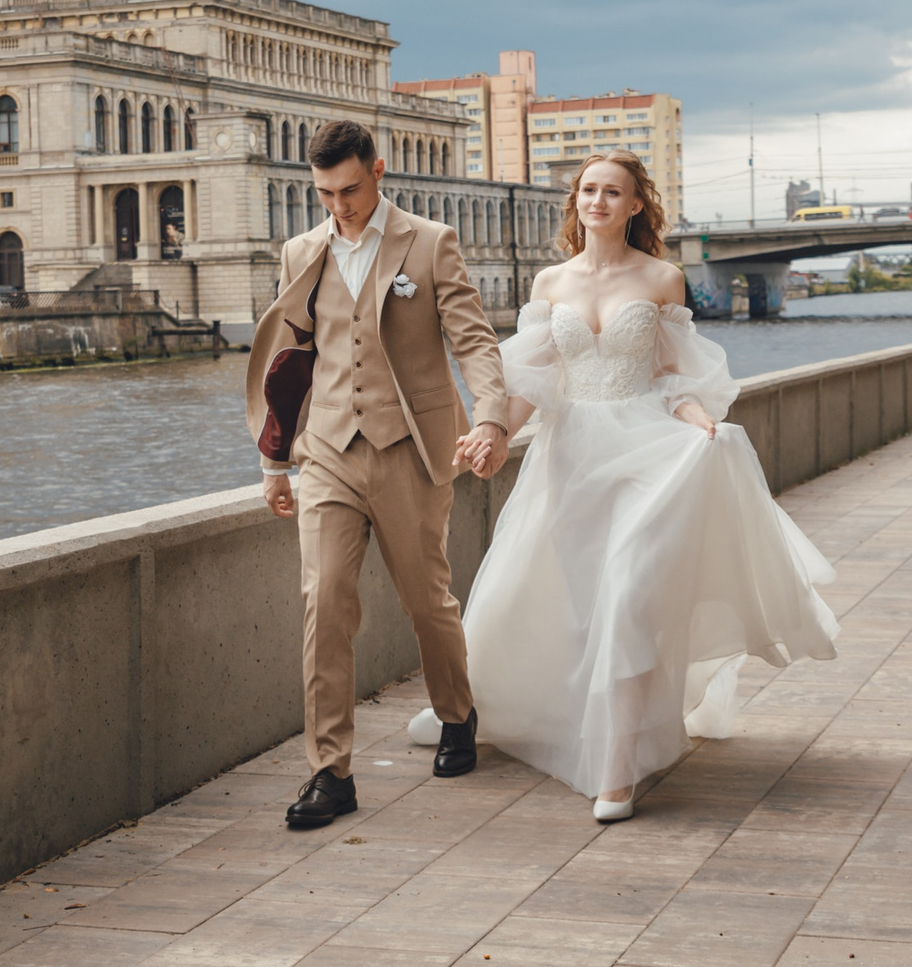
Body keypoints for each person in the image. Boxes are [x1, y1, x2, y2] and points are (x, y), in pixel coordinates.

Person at [412, 151, 839, 822]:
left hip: (647, 450)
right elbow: (532, 385)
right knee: (588, 607)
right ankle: (583, 726)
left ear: (636, 204)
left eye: (613, 192)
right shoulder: (550, 282)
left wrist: (701, 420)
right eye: (588, 190)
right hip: (571, 460)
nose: (599, 201)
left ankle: (615, 772)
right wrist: (492, 434)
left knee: (631, 595)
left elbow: (676, 376)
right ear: (575, 201)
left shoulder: (663, 278)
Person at [245, 120, 512, 829]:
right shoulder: (300, 250)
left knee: (427, 598)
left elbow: (474, 341)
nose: (342, 206)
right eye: (327, 193)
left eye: (352, 189)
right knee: (324, 598)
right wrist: (275, 459)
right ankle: (330, 772)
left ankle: (457, 715)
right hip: (328, 451)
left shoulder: (429, 242)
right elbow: (290, 363)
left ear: (380, 172)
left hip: (411, 448)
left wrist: (489, 418)